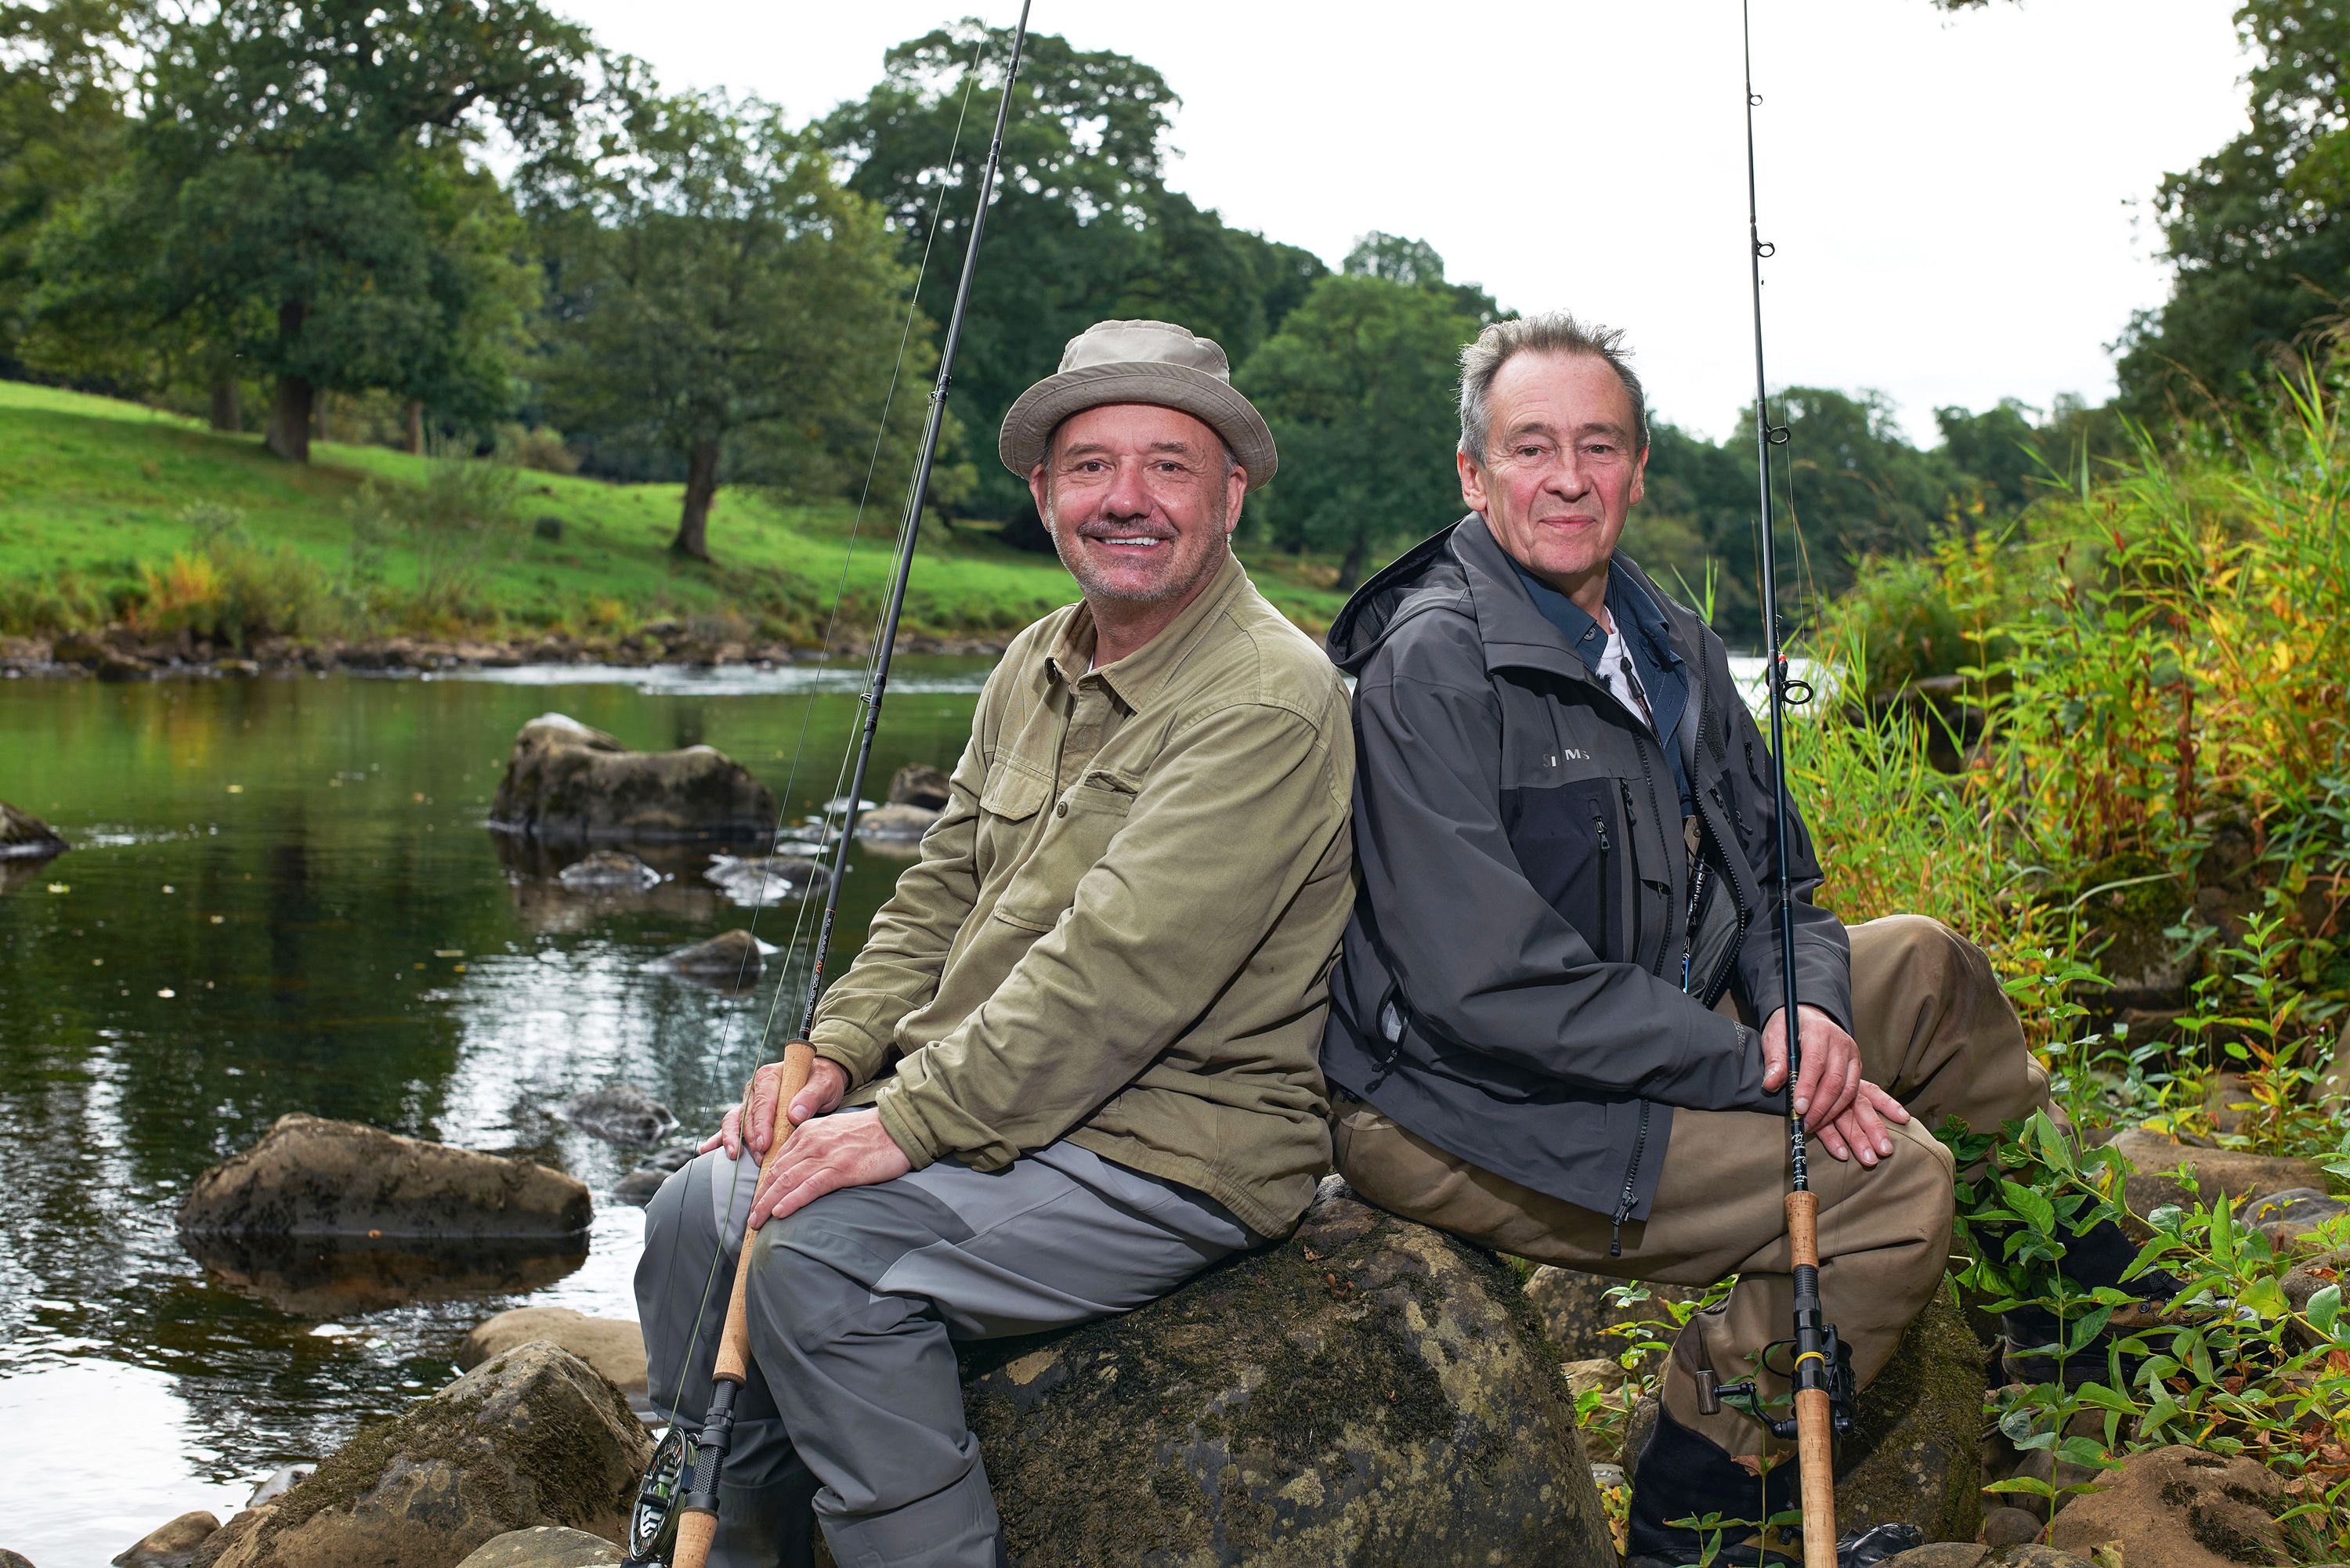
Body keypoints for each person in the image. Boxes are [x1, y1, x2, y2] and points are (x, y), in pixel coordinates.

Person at [1318, 312, 2151, 1567]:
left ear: (1640, 467)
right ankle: (1697, 1505)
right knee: (1890, 1183)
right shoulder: (1431, 662)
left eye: (1598, 446)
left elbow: (1779, 878)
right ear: (1471, 475)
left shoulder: (1663, 639)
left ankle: (2072, 1295)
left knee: (1925, 963)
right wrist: (1766, 1066)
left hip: (1641, 1024)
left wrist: (1806, 1008)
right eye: (1529, 446)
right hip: (1469, 1099)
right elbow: (1480, 984)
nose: (1566, 477)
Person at [635, 320, 1355, 1568]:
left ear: (1233, 491)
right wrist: (839, 1057)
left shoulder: (1270, 698)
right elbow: (938, 891)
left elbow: (1114, 978)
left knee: (817, 1253)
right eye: (1090, 466)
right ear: (1042, 492)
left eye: (1169, 465)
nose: (1125, 499)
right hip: (997, 1115)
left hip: (1169, 1143)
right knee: (698, 1212)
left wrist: (904, 1124)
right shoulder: (1034, 660)